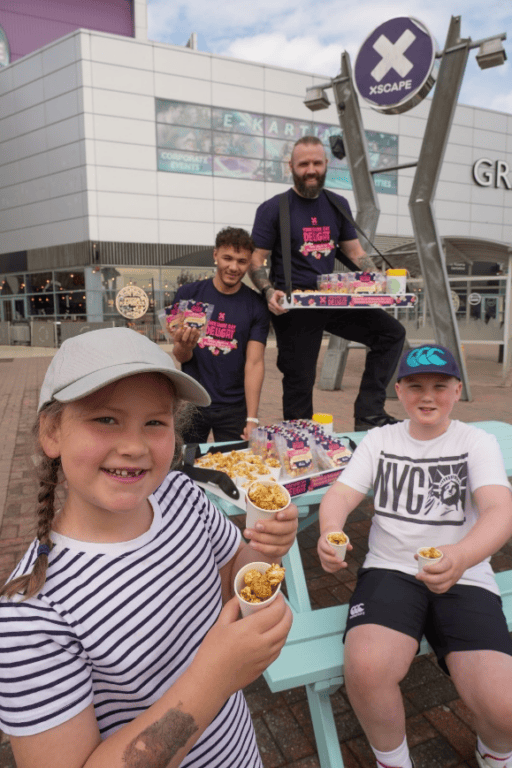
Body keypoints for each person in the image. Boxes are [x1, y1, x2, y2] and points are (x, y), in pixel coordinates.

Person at [0, 327, 297, 768]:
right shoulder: (30, 616)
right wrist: (213, 680)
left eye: (154, 422)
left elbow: (233, 577)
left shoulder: (182, 496)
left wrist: (267, 548)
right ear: (52, 432)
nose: (134, 446)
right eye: (105, 419)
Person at [317, 344, 512, 768]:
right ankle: (393, 760)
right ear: (399, 391)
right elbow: (342, 494)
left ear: (457, 390)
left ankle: (495, 751)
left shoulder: (475, 441)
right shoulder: (380, 439)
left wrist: (461, 556)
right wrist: (331, 529)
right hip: (390, 570)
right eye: (415, 386)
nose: (428, 396)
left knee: (505, 706)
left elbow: (500, 510)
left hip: (464, 571)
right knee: (366, 670)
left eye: (440, 386)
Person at [249, 134, 405, 431]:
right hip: (294, 307)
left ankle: (369, 414)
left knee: (391, 334)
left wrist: (380, 282)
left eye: (317, 163)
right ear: (290, 166)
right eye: (304, 163)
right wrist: (268, 291)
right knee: (300, 377)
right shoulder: (274, 208)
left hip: (333, 299)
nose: (311, 169)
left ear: (326, 165)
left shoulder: (337, 203)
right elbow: (256, 260)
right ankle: (299, 439)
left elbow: (354, 252)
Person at [173, 227, 269, 443]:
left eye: (241, 261)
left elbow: (254, 363)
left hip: (234, 408)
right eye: (227, 258)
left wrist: (252, 418)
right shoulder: (189, 296)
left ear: (249, 262)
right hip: (192, 402)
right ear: (215, 255)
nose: (233, 267)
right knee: (184, 464)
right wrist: (186, 346)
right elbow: (180, 356)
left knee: (233, 469)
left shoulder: (256, 305)